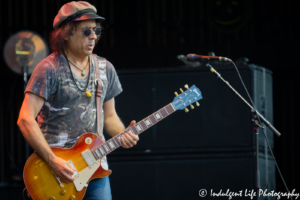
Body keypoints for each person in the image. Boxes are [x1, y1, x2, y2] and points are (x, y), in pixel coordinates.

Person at [17, 1, 139, 199]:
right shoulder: (49, 68)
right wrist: (53, 161)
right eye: (86, 31)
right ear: (66, 32)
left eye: (97, 30)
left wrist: (123, 134)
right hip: (55, 172)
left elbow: (109, 116)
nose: (93, 36)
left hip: (96, 168)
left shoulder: (105, 68)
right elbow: (25, 119)